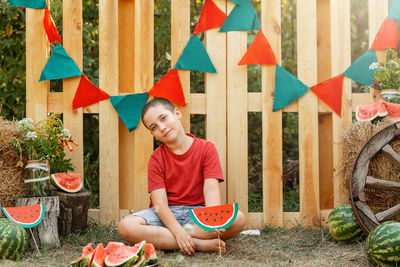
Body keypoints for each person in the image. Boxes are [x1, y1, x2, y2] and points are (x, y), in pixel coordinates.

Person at [118, 97, 246, 255]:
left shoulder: (206, 149)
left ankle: (166, 241)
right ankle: (199, 244)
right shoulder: (156, 158)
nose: (162, 127)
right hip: (165, 217)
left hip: (197, 216)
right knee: (126, 226)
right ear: (154, 135)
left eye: (163, 118)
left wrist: (214, 221)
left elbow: (211, 191)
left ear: (177, 114)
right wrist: (178, 232)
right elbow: (160, 204)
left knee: (239, 218)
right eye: (154, 127)